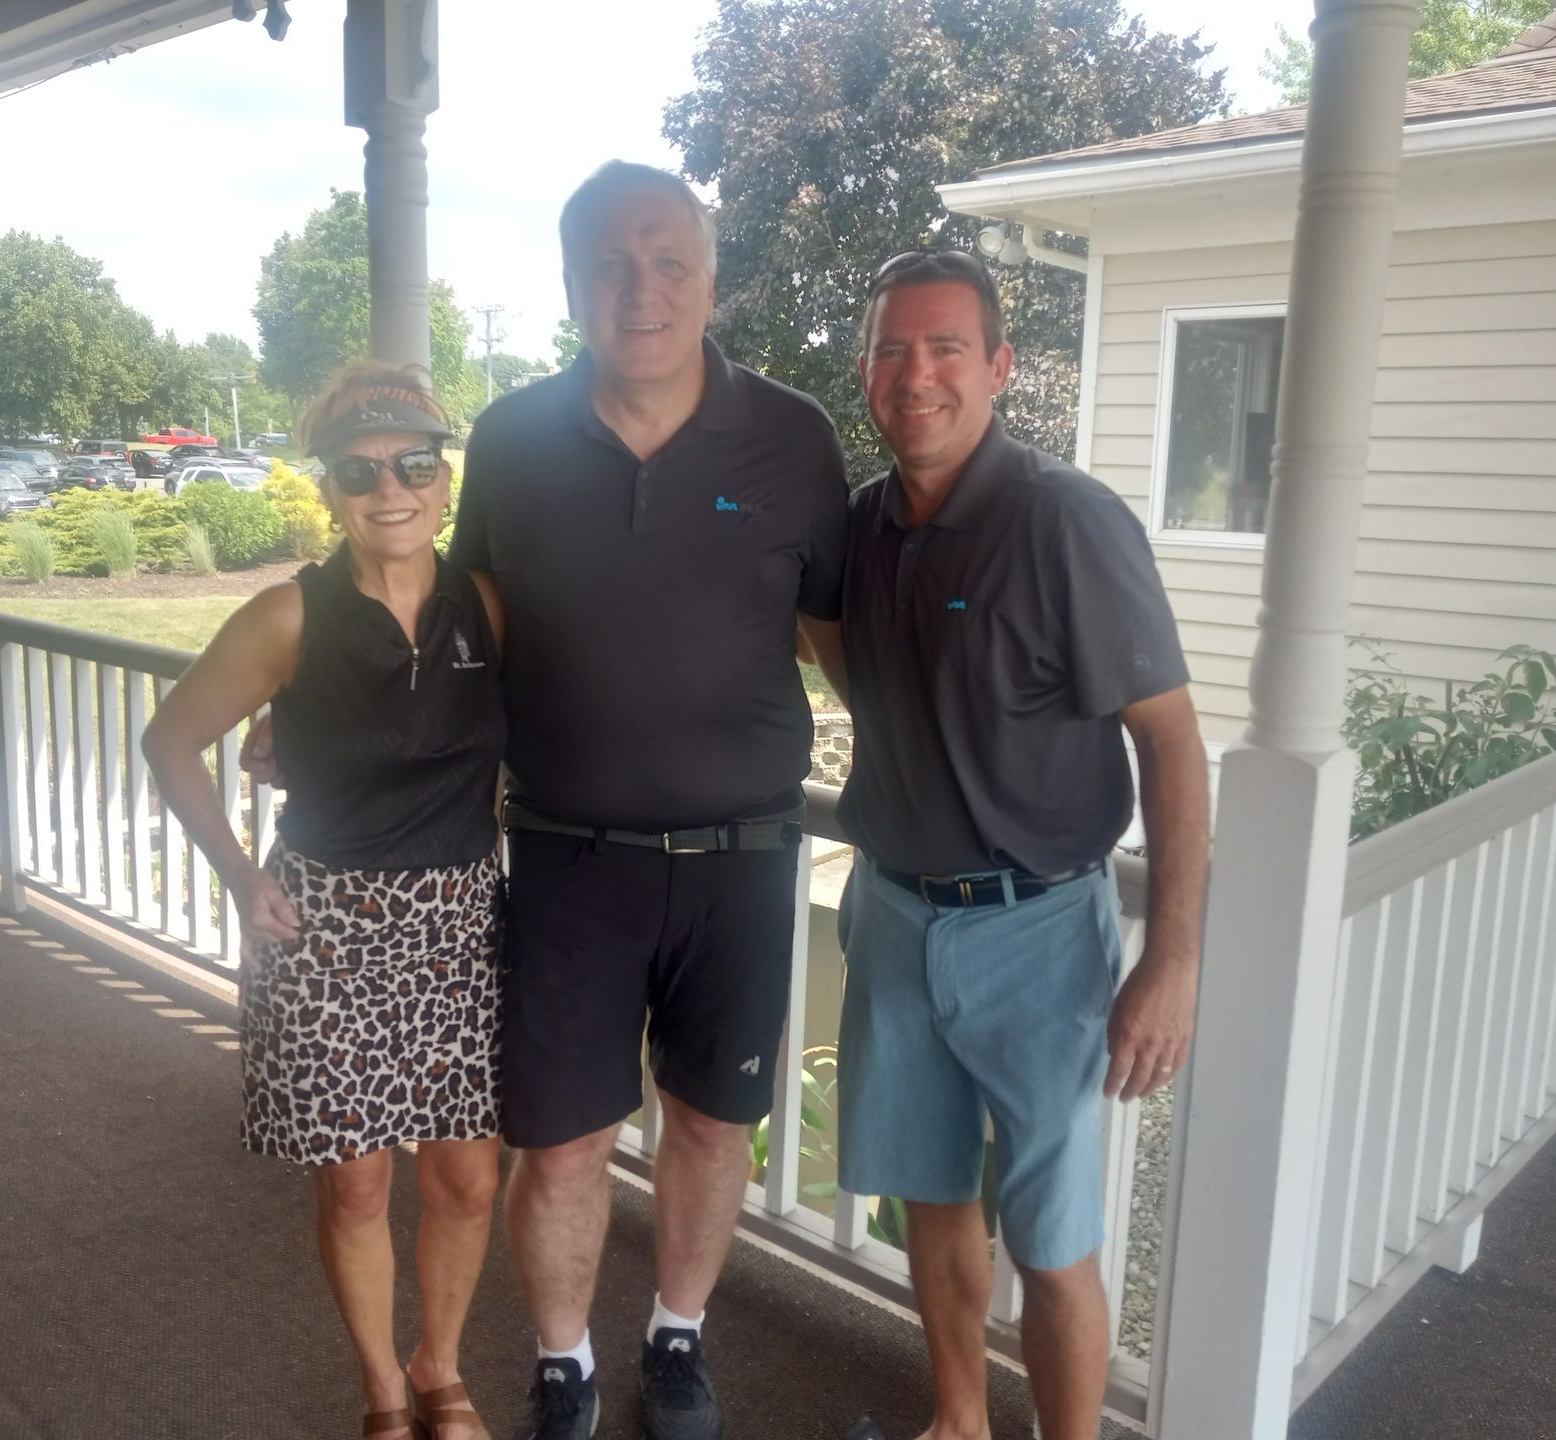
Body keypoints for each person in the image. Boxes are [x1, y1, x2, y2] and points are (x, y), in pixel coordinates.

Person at [451, 161, 850, 1440]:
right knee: (561, 1143)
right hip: (568, 857)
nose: (644, 287)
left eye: (670, 260)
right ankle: (562, 1362)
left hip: (742, 858)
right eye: (613, 264)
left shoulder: (793, 438)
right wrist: (335, 706)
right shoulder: (509, 438)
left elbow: (848, 634)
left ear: (711, 279)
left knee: (713, 1124)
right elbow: (466, 621)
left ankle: (677, 1339)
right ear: (571, 283)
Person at [828, 250, 1210, 1440]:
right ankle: (958, 1421)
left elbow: (1176, 747)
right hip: (894, 916)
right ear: (867, 372)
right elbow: (835, 647)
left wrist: (1173, 959)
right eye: (894, 349)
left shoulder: (1068, 521)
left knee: (1053, 1241)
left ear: (999, 367)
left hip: (1040, 932)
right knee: (933, 1198)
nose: (918, 374)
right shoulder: (864, 526)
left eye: (946, 348)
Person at [142, 364, 506, 1440]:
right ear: (328, 488)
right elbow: (170, 743)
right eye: (359, 470)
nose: (388, 488)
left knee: (469, 1183)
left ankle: (440, 1367)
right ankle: (385, 1396)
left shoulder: (488, 603)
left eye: (413, 464)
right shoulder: (285, 617)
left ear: (444, 478)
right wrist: (237, 873)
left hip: (458, 927)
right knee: (354, 1188)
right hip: (329, 929)